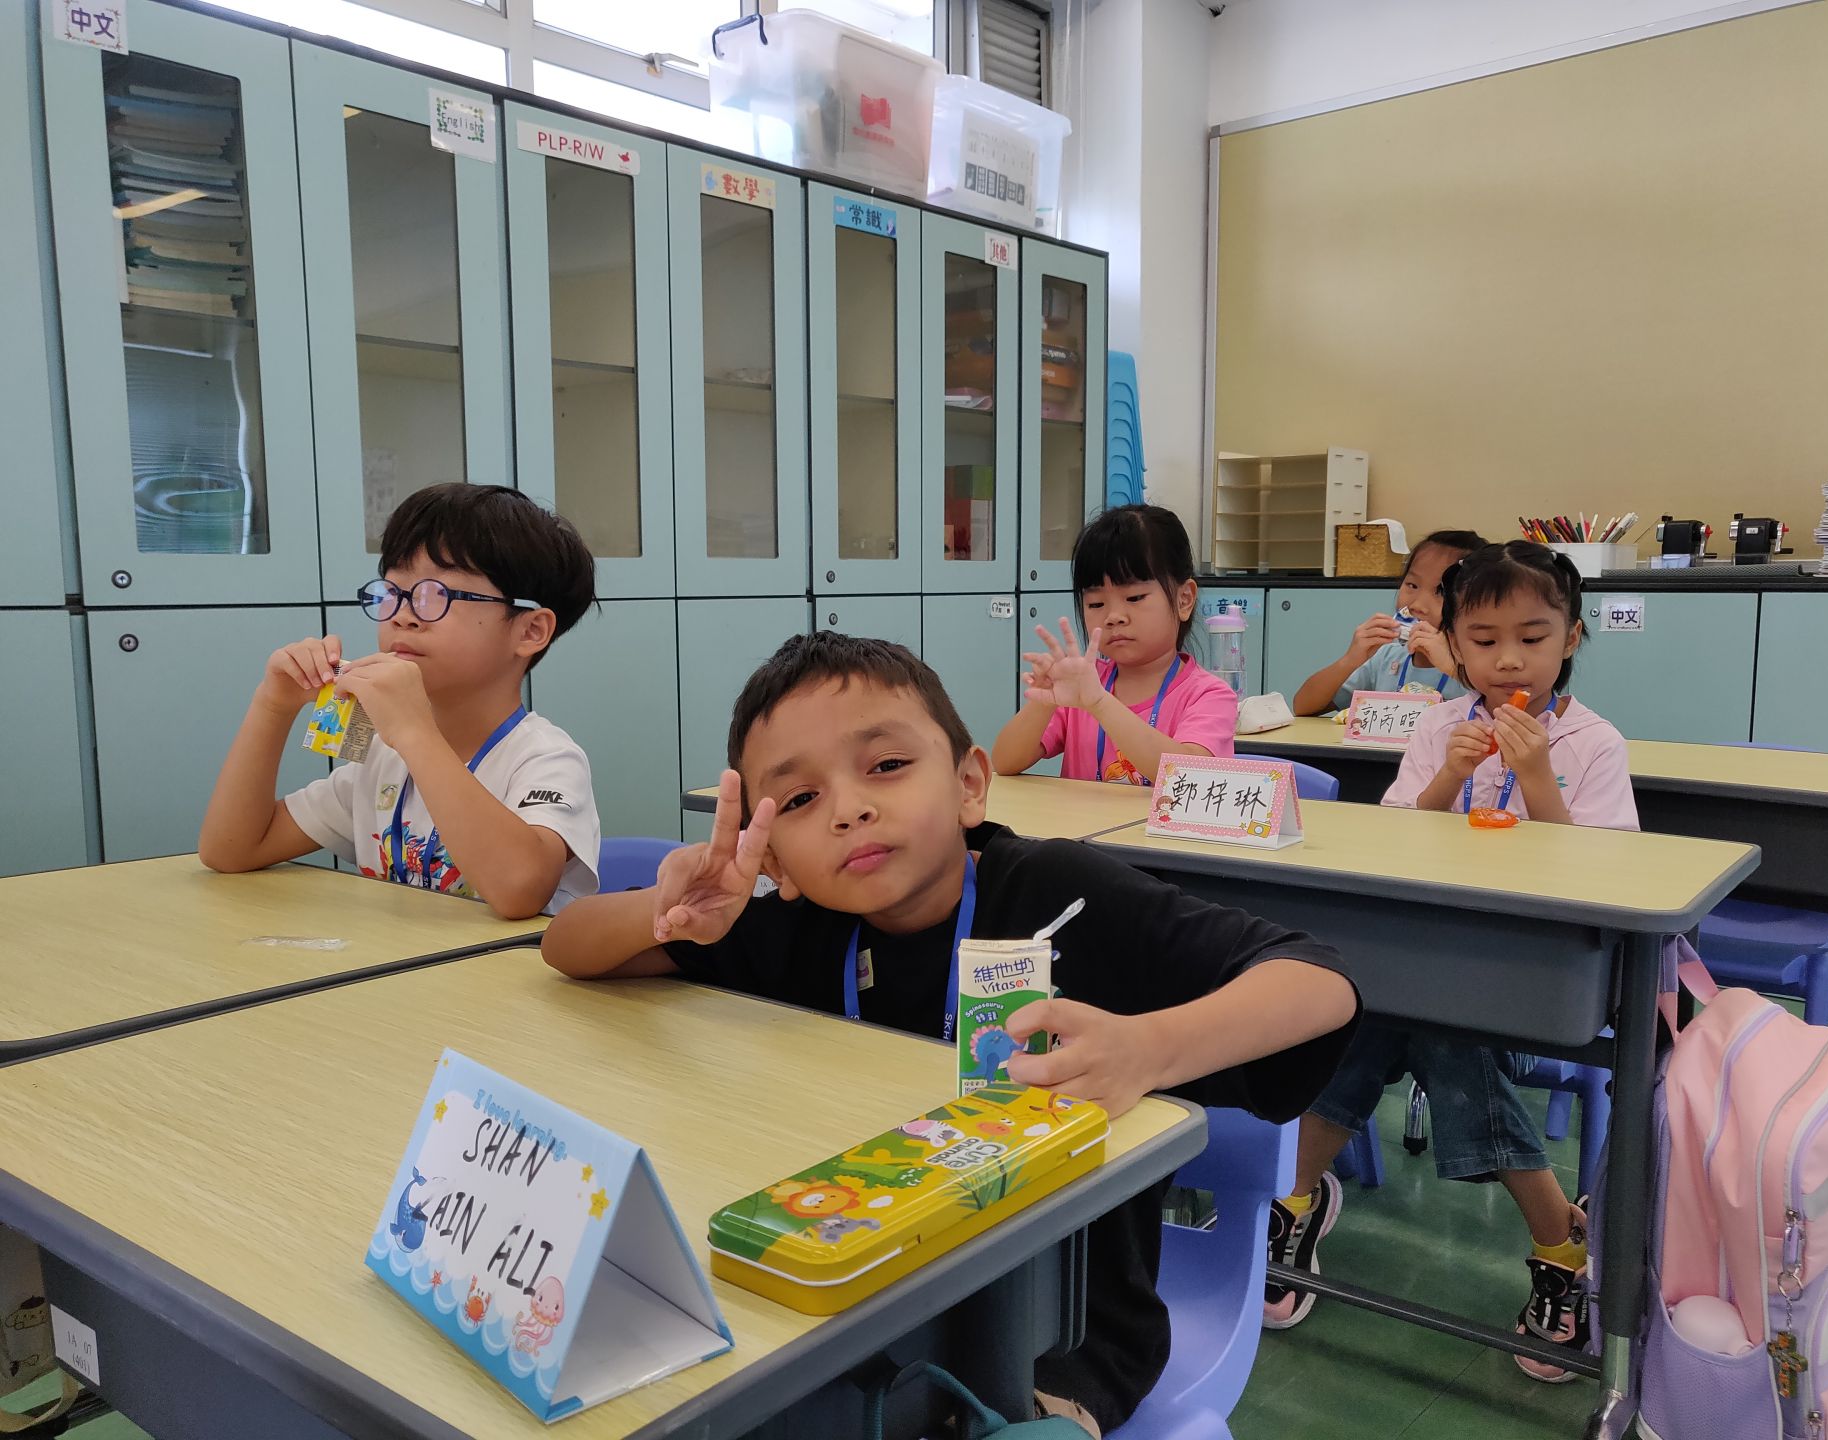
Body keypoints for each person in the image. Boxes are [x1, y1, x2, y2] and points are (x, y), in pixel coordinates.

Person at [542, 632, 1359, 1435]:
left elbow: (1319, 981)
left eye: (886, 766)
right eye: (798, 801)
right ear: (776, 860)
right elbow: (567, 947)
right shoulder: (796, 927)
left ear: (970, 784)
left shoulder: (1062, 894)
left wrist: (1149, 1049)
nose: (849, 809)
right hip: (850, 1299)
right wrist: (668, 911)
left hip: (1058, 1327)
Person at [1266, 540, 1635, 1381]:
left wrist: (1537, 779)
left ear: (1571, 639)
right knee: (1361, 1014)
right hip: (1433, 959)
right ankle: (1301, 1201)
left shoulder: (1594, 743)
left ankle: (1553, 1243)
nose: (1508, 659)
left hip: (1534, 983)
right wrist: (1444, 781)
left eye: (1532, 638)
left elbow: (1607, 880)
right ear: (1455, 645)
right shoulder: (1439, 725)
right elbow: (1396, 840)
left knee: (1442, 1036)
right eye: (1484, 639)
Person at [198, 484, 601, 918]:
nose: (403, 616)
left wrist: (413, 731)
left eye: (436, 595)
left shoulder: (546, 759)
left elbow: (520, 889)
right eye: (393, 593)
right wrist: (273, 706)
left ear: (530, 631)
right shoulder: (383, 760)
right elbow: (231, 850)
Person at [992, 505, 1237, 785]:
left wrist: (1100, 703)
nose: (1114, 616)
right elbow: (1004, 762)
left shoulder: (1209, 696)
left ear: (1184, 600)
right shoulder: (1082, 684)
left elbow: (1188, 778)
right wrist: (1043, 701)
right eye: (1096, 603)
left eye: (1134, 598)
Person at [1290, 528, 1488, 716]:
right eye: (1412, 585)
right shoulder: (1386, 659)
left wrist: (1452, 667)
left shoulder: (1479, 665)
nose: (1417, 605)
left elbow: (1499, 707)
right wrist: (1350, 659)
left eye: (1441, 592)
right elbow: (1303, 706)